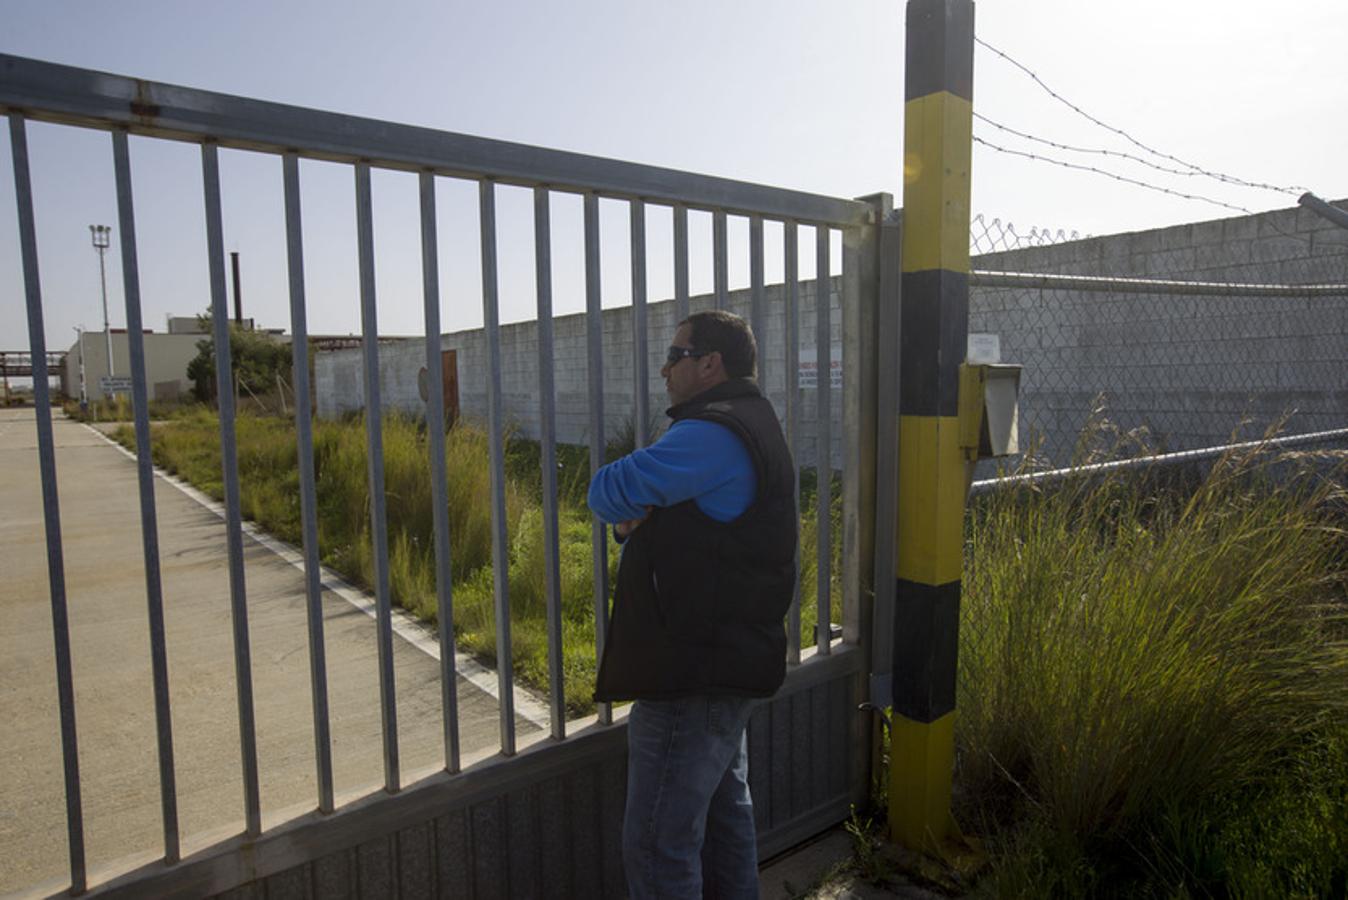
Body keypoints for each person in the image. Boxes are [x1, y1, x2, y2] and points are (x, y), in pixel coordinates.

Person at [588, 310, 797, 899]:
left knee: (658, 844)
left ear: (711, 363)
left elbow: (604, 490)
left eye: (676, 356)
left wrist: (636, 514)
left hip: (691, 672)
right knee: (727, 823)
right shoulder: (750, 418)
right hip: (725, 657)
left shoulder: (710, 432)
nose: (665, 368)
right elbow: (682, 522)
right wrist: (641, 524)